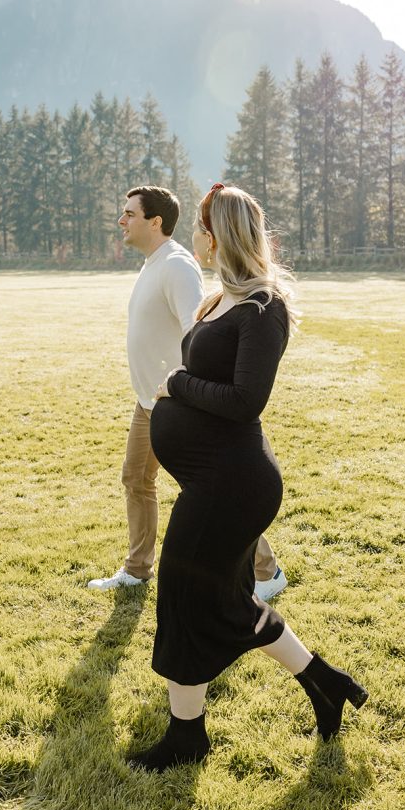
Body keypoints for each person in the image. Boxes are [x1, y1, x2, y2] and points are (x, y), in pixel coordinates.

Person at [128, 184, 368, 772]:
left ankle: (187, 739)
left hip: (233, 486)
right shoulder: (219, 299)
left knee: (184, 599)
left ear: (220, 234)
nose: (196, 239)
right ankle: (325, 683)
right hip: (212, 480)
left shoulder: (264, 307)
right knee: (222, 598)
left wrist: (175, 386)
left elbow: (244, 401)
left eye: (202, 229)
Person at [87, 184, 288, 600]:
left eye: (129, 214)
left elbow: (198, 337)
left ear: (155, 221)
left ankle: (266, 569)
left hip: (178, 403)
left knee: (205, 492)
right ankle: (138, 568)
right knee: (137, 479)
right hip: (151, 401)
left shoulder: (178, 266)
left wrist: (179, 385)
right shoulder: (153, 264)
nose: (121, 221)